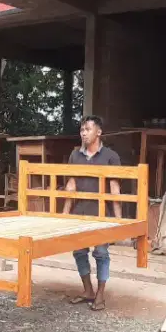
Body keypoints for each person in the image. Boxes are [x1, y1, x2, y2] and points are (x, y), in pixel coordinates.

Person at [62, 114, 121, 312]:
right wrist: (63, 216)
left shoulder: (111, 157)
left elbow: (114, 187)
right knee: (79, 251)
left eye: (87, 129)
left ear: (99, 132)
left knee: (101, 253)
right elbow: (71, 184)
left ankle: (100, 294)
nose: (84, 133)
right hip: (79, 212)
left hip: (101, 214)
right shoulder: (75, 155)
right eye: (82, 130)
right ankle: (88, 290)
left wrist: (119, 220)